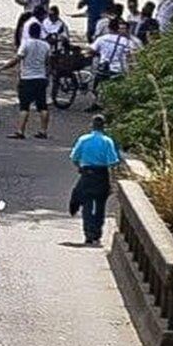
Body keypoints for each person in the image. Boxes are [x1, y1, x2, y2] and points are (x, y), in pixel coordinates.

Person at [69, 115, 121, 244]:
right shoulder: (107, 141)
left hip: (87, 174)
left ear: (91, 125)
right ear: (104, 126)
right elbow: (113, 162)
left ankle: (88, 233)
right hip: (101, 175)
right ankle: (97, 233)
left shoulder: (84, 139)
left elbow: (74, 157)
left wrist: (80, 167)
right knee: (100, 205)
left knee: (86, 204)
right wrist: (113, 181)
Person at [3, 21, 53, 139]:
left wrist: (3, 67)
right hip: (40, 78)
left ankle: (21, 131)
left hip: (27, 78)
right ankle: (43, 130)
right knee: (42, 106)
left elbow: (17, 59)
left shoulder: (26, 44)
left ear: (29, 32)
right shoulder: (46, 45)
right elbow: (48, 63)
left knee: (24, 106)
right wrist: (47, 76)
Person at [87, 18, 139, 112]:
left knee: (96, 87)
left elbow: (91, 50)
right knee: (117, 90)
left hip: (103, 68)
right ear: (118, 28)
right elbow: (132, 56)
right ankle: (115, 108)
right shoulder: (127, 42)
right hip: (118, 69)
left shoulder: (102, 39)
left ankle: (95, 104)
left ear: (109, 28)